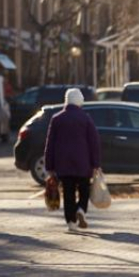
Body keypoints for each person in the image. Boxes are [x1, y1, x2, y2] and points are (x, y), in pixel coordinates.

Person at [44, 88, 101, 232]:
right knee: (84, 190)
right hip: (83, 163)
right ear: (80, 101)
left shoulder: (57, 119)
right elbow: (94, 142)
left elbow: (50, 144)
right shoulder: (86, 118)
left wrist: (49, 166)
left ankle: (71, 223)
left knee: (68, 193)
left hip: (63, 164)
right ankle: (81, 209)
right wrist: (96, 163)